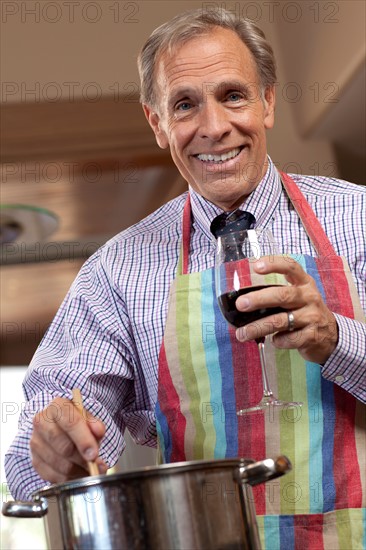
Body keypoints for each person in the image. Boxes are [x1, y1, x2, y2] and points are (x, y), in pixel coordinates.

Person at [5, 7, 365, 548]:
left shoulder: (359, 219)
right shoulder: (114, 271)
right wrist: (51, 444)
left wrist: (339, 339)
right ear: (158, 124)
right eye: (184, 104)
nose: (214, 127)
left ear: (267, 102)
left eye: (233, 95)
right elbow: (33, 453)